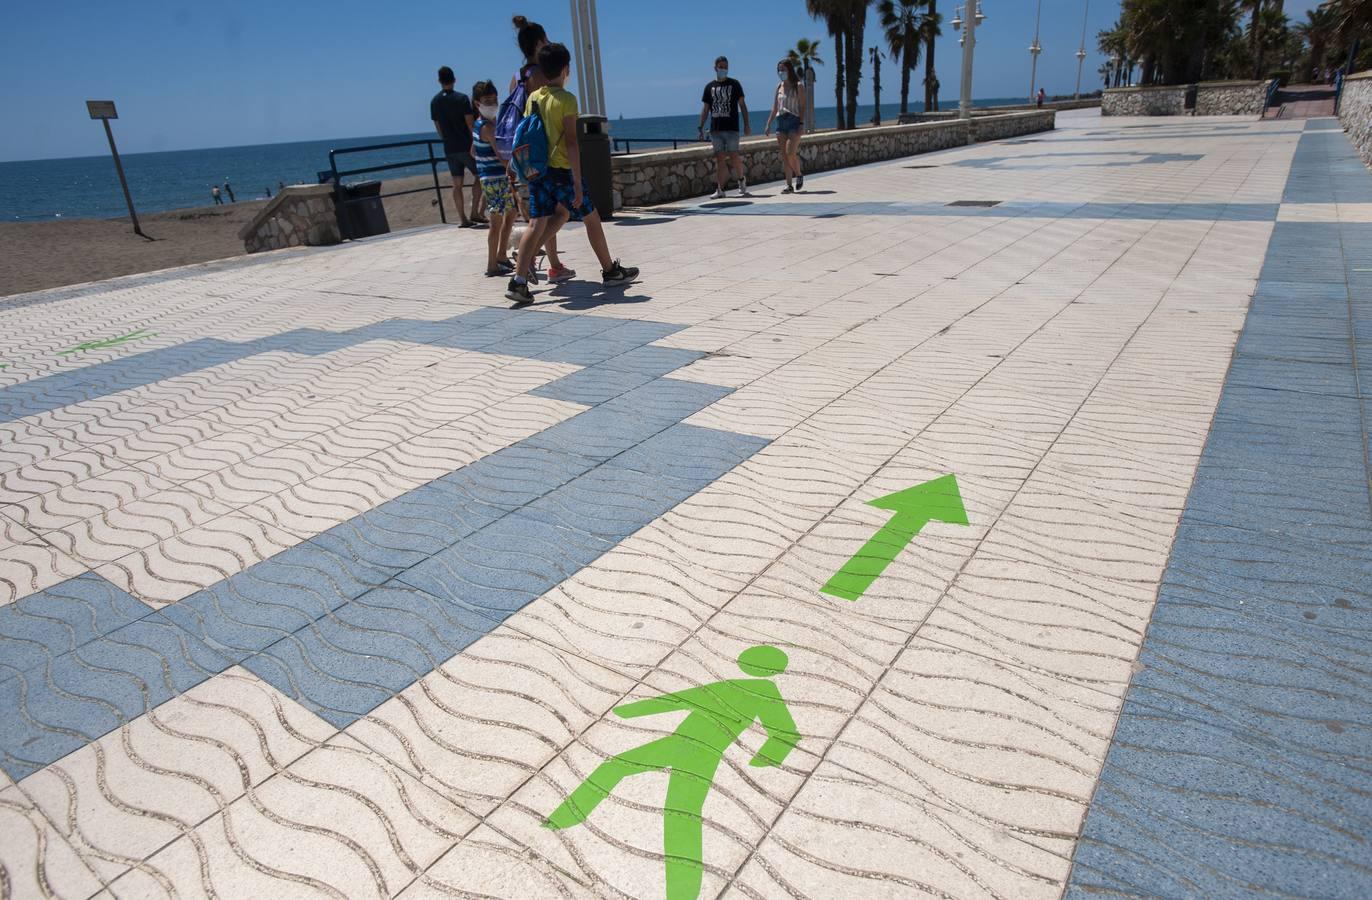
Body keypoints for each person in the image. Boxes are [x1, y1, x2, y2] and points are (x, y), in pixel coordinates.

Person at [545, 645, 800, 900]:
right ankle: (564, 819)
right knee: (617, 766)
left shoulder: (765, 692)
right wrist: (631, 710)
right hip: (678, 742)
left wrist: (766, 759)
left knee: (680, 810)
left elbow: (785, 730)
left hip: (704, 752)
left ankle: (684, 889)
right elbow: (681, 699)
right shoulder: (733, 685)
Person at [505, 42, 638, 305]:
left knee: (542, 220)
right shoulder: (567, 100)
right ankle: (610, 270)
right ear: (566, 69)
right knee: (591, 217)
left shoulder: (534, 97)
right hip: (561, 171)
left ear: (542, 70)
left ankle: (518, 282)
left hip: (537, 171)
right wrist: (577, 182)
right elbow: (571, 142)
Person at [507, 15, 567, 276]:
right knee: (558, 211)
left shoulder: (517, 77)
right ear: (540, 42)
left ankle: (553, 264)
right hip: (544, 153)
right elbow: (550, 115)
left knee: (542, 212)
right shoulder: (542, 75)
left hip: (523, 153)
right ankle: (528, 256)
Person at [472, 80, 516, 277]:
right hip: (494, 178)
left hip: (490, 176)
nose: (492, 104)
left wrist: (483, 162)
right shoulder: (488, 128)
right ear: (477, 103)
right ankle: (492, 264)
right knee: (496, 222)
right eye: (487, 101)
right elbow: (502, 155)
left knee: (512, 213)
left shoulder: (478, 125)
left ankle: (501, 255)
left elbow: (472, 151)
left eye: (494, 100)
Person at [431, 66, 483, 227]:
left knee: (457, 184)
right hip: (466, 146)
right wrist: (475, 141)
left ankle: (462, 219)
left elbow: (438, 127)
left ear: (439, 81)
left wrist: (446, 139)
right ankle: (474, 211)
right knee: (480, 176)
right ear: (454, 79)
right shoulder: (461, 99)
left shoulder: (435, 101)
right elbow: (469, 123)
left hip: (450, 147)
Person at [697, 55, 751, 199]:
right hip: (716, 129)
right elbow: (706, 109)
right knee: (720, 159)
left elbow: (742, 105)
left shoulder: (735, 84)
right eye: (721, 67)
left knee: (734, 155)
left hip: (732, 127)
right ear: (715, 68)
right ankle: (720, 189)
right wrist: (700, 127)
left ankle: (741, 180)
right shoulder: (709, 87)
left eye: (726, 67)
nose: (724, 69)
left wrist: (746, 124)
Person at [764, 58, 806, 193]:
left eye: (783, 69)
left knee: (790, 152)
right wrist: (768, 123)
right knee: (784, 155)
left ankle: (798, 174)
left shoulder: (798, 85)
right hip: (781, 121)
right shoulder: (779, 86)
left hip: (794, 120)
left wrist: (801, 123)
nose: (781, 72)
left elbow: (802, 105)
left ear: (789, 70)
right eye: (779, 70)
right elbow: (775, 107)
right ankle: (789, 185)